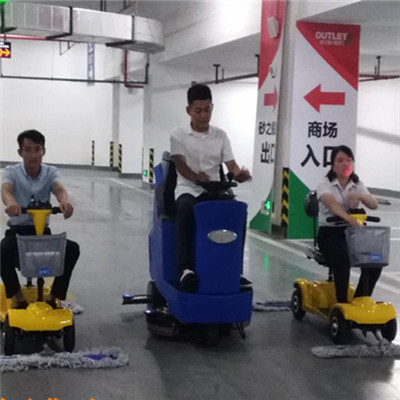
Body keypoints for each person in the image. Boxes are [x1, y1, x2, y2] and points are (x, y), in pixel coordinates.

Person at [170, 84, 251, 292]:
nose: (203, 116)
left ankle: (235, 269)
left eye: (207, 110)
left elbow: (231, 165)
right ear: (188, 110)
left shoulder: (221, 136)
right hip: (188, 189)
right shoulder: (178, 135)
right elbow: (180, 164)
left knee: (238, 212)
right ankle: (185, 269)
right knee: (185, 210)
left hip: (214, 191)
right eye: (198, 111)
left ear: (212, 108)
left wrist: (239, 174)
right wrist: (196, 177)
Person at [1, 129, 80, 309]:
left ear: (43, 151)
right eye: (27, 150)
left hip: (42, 234)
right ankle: (19, 297)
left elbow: (59, 189)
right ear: (20, 152)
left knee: (71, 249)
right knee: (2, 252)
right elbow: (6, 190)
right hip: (18, 233)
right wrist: (11, 203)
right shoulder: (11, 172)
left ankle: (53, 296)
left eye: (37, 149)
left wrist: (64, 202)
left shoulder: (50, 172)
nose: (33, 155)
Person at [317, 145, 380, 303]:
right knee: (343, 259)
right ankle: (342, 303)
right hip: (330, 233)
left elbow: (374, 204)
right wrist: (348, 218)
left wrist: (360, 196)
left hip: (354, 234)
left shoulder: (357, 184)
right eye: (340, 160)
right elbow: (331, 203)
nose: (345, 163)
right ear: (333, 165)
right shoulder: (325, 184)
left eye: (349, 160)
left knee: (375, 261)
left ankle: (360, 300)